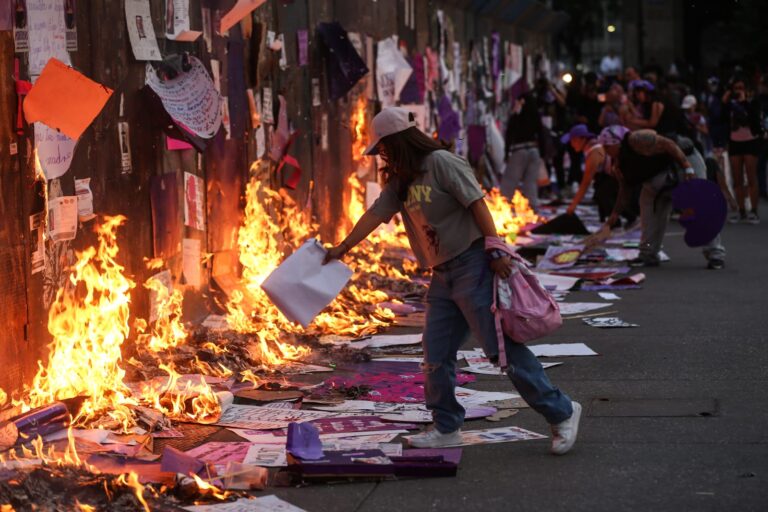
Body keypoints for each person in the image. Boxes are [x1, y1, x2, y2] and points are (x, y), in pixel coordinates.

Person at [324, 107, 581, 453]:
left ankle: (562, 412)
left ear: (399, 141)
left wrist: (495, 248)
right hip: (442, 274)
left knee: (500, 351)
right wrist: (342, 248)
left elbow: (477, 204)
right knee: (436, 353)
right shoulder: (401, 179)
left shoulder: (442, 162)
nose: (381, 155)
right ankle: (446, 426)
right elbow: (375, 214)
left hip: (473, 264)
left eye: (383, 147)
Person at [587, 126, 727, 270]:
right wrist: (613, 218)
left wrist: (687, 167)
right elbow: (625, 190)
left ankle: (715, 254)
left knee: (699, 209)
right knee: (648, 215)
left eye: (607, 146)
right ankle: (648, 253)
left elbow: (669, 144)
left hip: (683, 165)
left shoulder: (636, 139)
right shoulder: (619, 165)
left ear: (617, 142)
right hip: (657, 184)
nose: (605, 150)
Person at [561, 124, 632, 226]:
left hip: (618, 177)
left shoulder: (594, 152)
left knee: (603, 193)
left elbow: (585, 183)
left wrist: (573, 205)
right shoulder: (591, 149)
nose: (571, 145)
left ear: (581, 139)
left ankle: (629, 217)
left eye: (573, 140)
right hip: (612, 176)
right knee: (600, 193)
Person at [723, 76, 762, 224]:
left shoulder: (753, 102)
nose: (738, 91)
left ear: (746, 89)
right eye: (736, 88)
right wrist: (725, 101)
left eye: (741, 88)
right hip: (735, 142)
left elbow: (755, 118)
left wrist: (744, 101)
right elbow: (721, 117)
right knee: (737, 179)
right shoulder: (730, 104)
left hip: (750, 141)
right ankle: (741, 211)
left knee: (751, 177)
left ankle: (754, 211)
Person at [502, 92, 542, 208]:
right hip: (534, 150)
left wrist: (506, 153)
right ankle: (533, 207)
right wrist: (542, 154)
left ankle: (504, 205)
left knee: (510, 182)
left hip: (519, 151)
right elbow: (541, 134)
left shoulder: (517, 116)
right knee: (531, 183)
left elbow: (509, 134)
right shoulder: (535, 115)